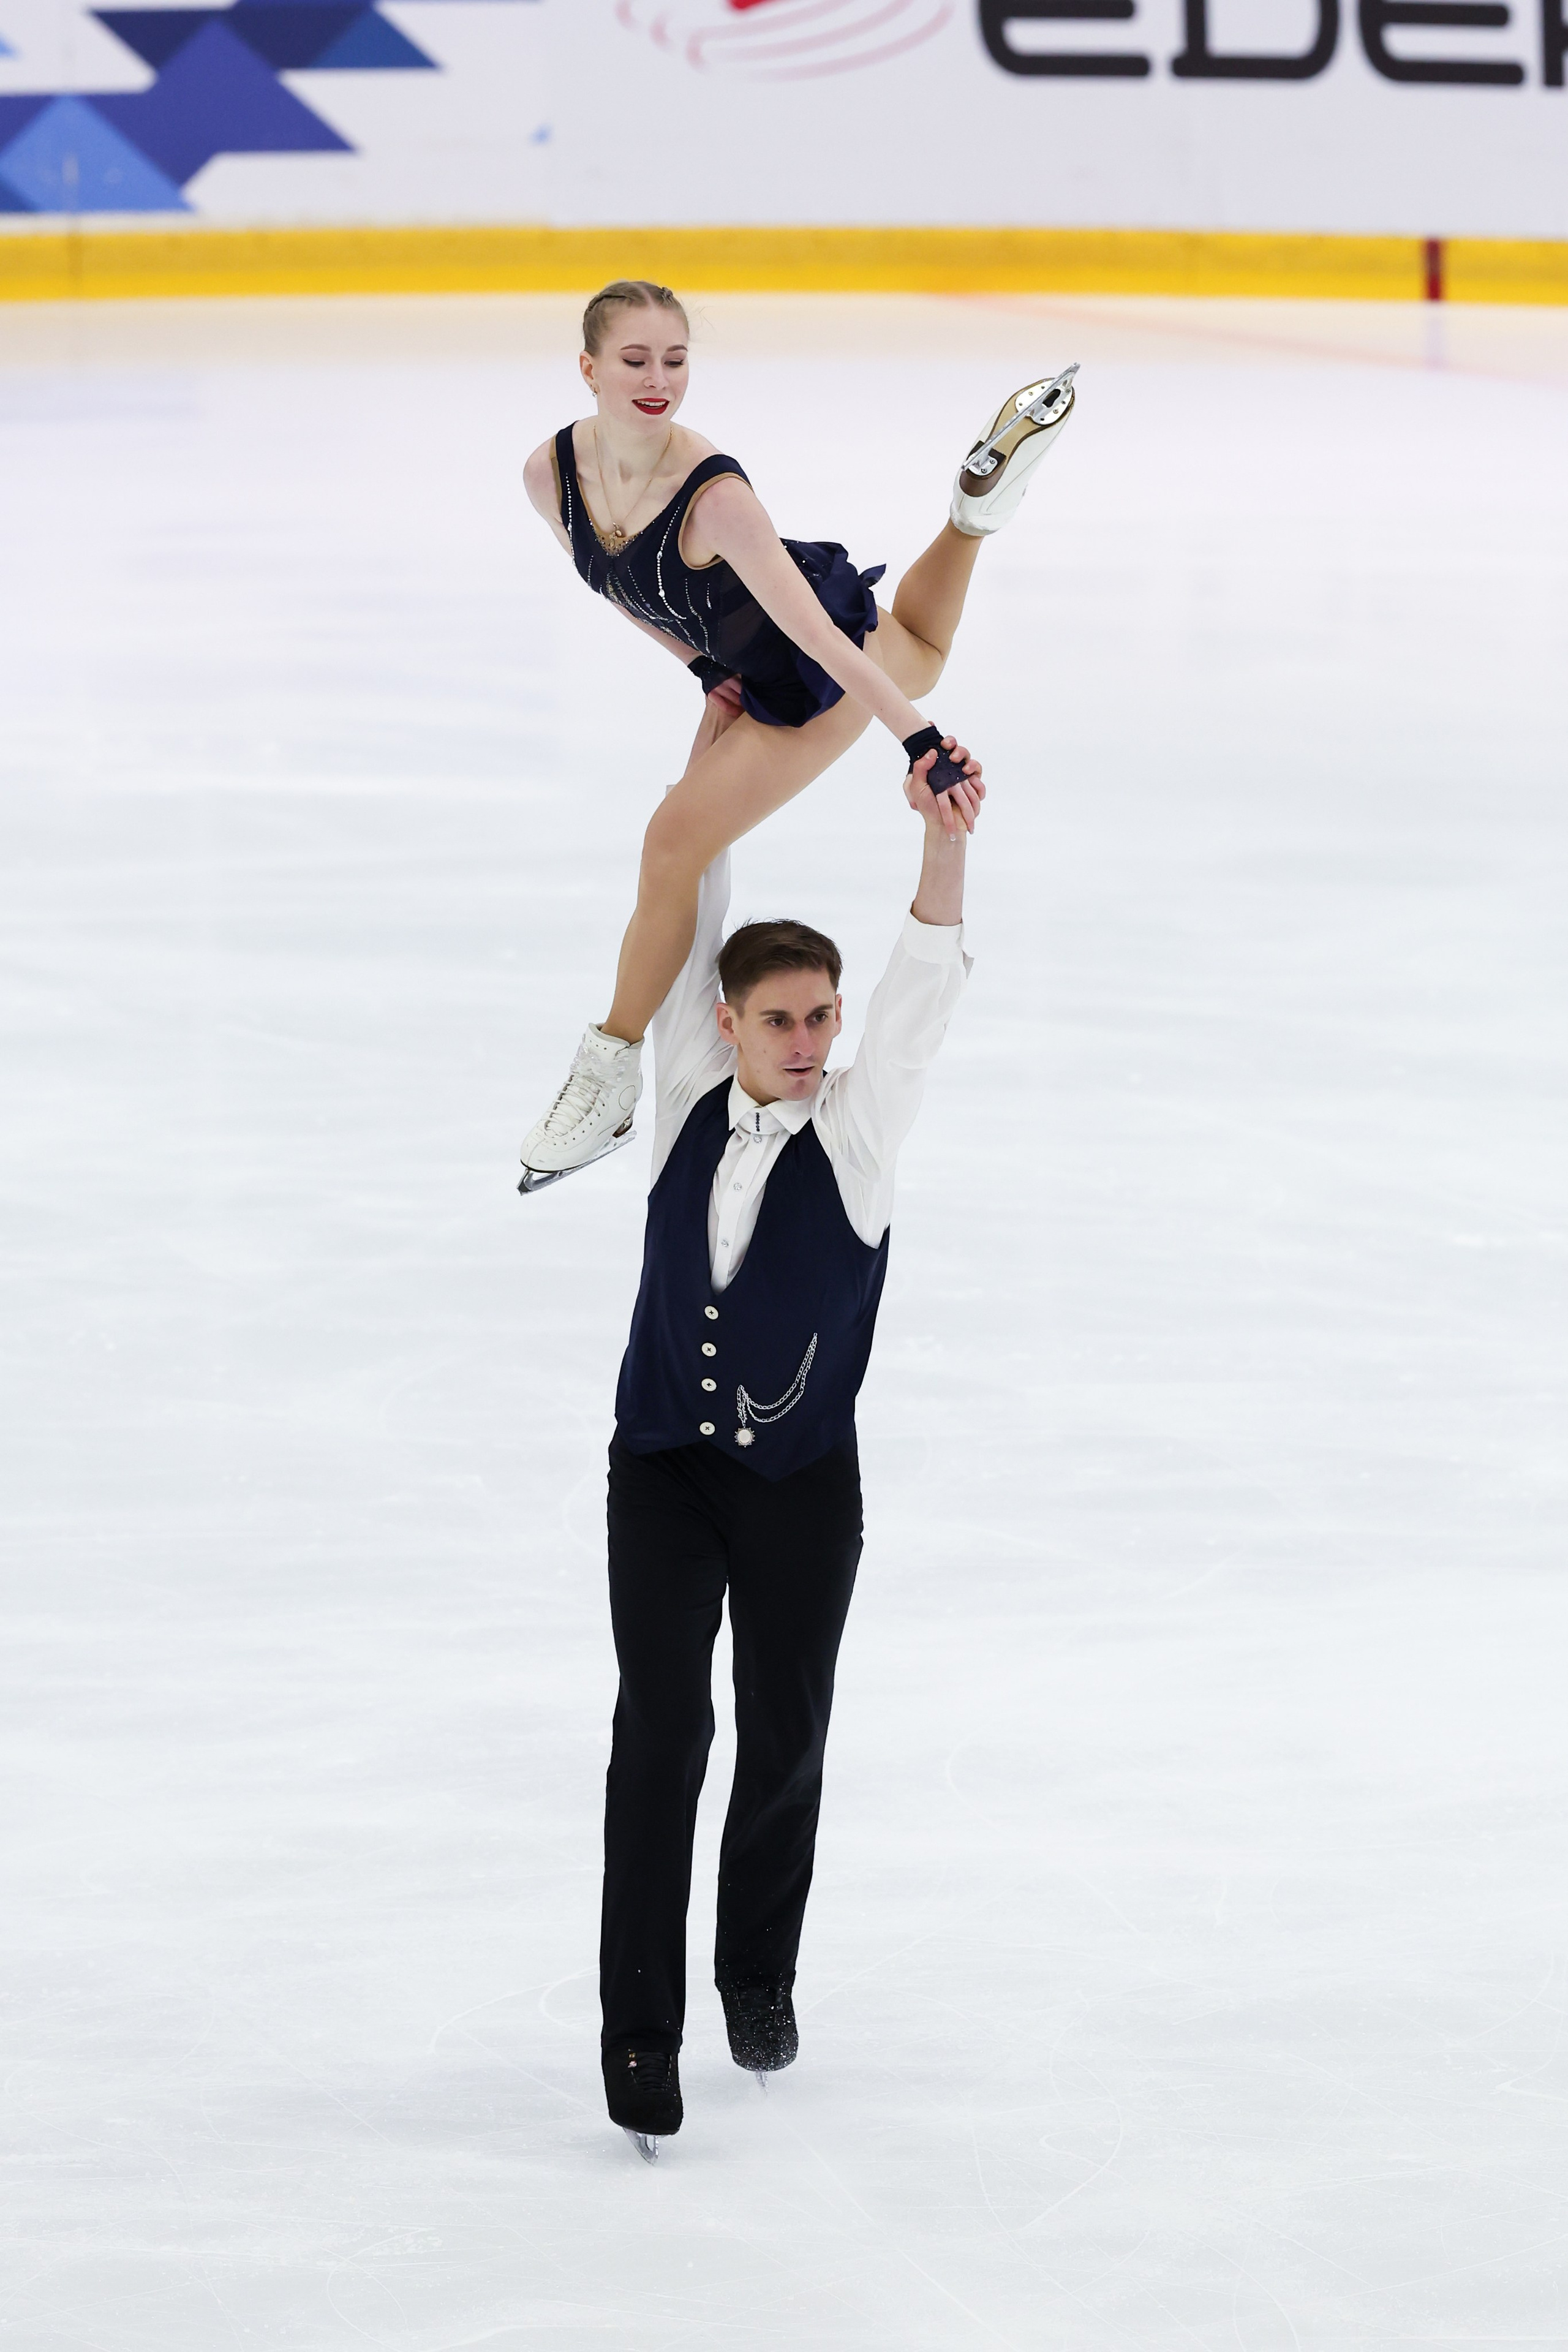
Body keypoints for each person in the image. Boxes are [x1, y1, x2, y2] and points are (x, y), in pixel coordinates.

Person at [597, 748, 982, 2160]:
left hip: (799, 1488)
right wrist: (729, 727)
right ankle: (638, 2030)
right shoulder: (686, 1077)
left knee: (782, 1731)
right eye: (782, 1018)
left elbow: (921, 993)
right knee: (660, 1735)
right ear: (726, 1023)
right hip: (661, 1466)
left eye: (822, 1013)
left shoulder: (858, 1135)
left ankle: (754, 1974)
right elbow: (692, 878)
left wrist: (941, 839)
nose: (811, 1039)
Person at [516, 277, 1075, 1191]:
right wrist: (699, 667)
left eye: (675, 361)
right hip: (762, 643)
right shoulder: (550, 477)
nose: (658, 381)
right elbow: (611, 582)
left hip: (804, 671)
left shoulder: (715, 496)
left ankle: (608, 1073)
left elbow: (821, 643)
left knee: (673, 842)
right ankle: (971, 515)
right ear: (588, 368)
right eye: (635, 360)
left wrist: (920, 742)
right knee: (921, 652)